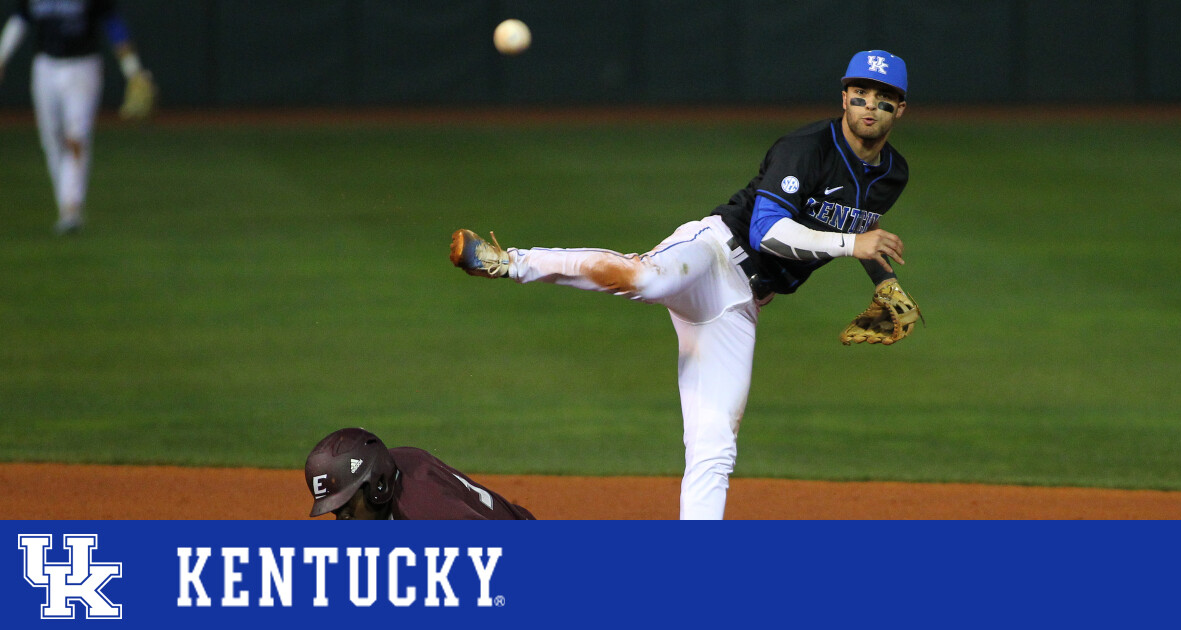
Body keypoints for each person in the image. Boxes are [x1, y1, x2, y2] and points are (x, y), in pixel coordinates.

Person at [449, 50, 916, 520]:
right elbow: (767, 232)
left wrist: (887, 284)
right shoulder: (806, 148)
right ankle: (509, 262)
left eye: (883, 98)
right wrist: (850, 244)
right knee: (645, 279)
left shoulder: (892, 175)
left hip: (740, 307)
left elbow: (862, 228)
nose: (869, 104)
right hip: (714, 252)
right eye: (860, 93)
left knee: (715, 442)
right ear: (844, 97)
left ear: (899, 109)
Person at [0, 0, 153, 234]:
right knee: (51, 141)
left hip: (83, 66)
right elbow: (20, 19)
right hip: (45, 67)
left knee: (76, 136)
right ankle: (66, 204)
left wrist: (132, 69)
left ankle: (71, 209)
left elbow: (112, 23)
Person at [305, 427, 536, 520]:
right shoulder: (393, 464)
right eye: (336, 511)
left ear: (378, 486)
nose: (342, 520)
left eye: (346, 507)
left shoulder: (427, 511)